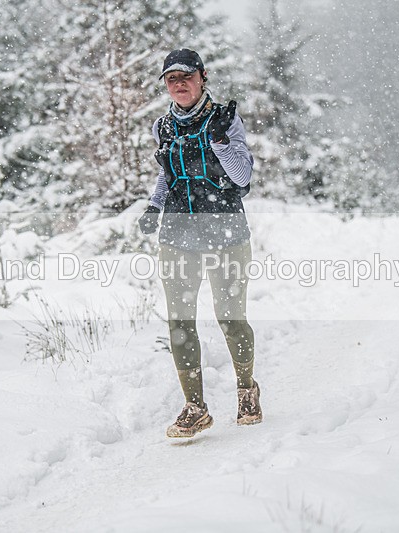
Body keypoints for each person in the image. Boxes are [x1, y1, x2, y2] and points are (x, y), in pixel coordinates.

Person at [138, 48, 262, 438]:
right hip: (178, 234)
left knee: (230, 318)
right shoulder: (162, 127)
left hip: (226, 232)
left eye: (186, 76)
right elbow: (167, 173)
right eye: (171, 79)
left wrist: (221, 141)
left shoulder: (224, 119)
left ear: (202, 77)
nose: (179, 84)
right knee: (179, 322)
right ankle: (195, 407)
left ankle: (246, 390)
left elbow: (242, 178)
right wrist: (155, 204)